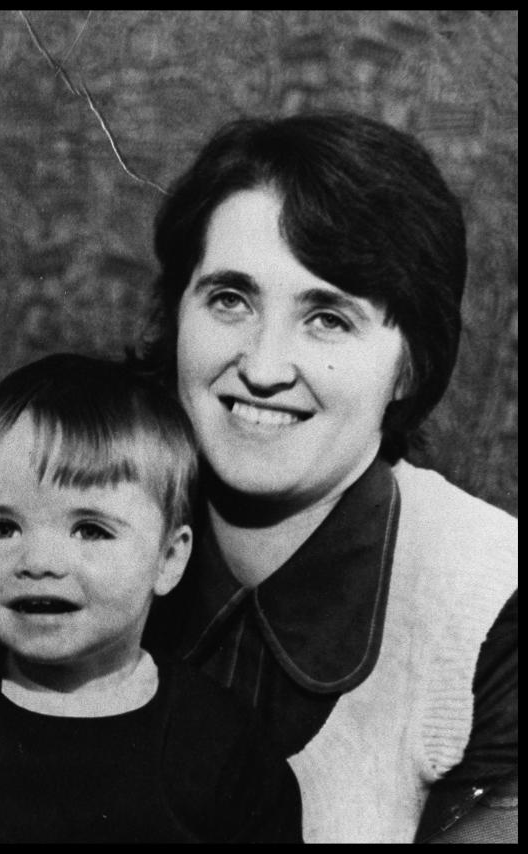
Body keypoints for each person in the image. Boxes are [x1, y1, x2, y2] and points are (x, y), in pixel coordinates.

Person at [140, 112, 518, 843]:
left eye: (327, 319)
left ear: (410, 363)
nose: (262, 366)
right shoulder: (76, 527)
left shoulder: (495, 601)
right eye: (229, 299)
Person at [0, 354, 303, 842]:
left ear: (168, 559)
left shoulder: (226, 750)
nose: (38, 561)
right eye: (0, 527)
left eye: (90, 530)